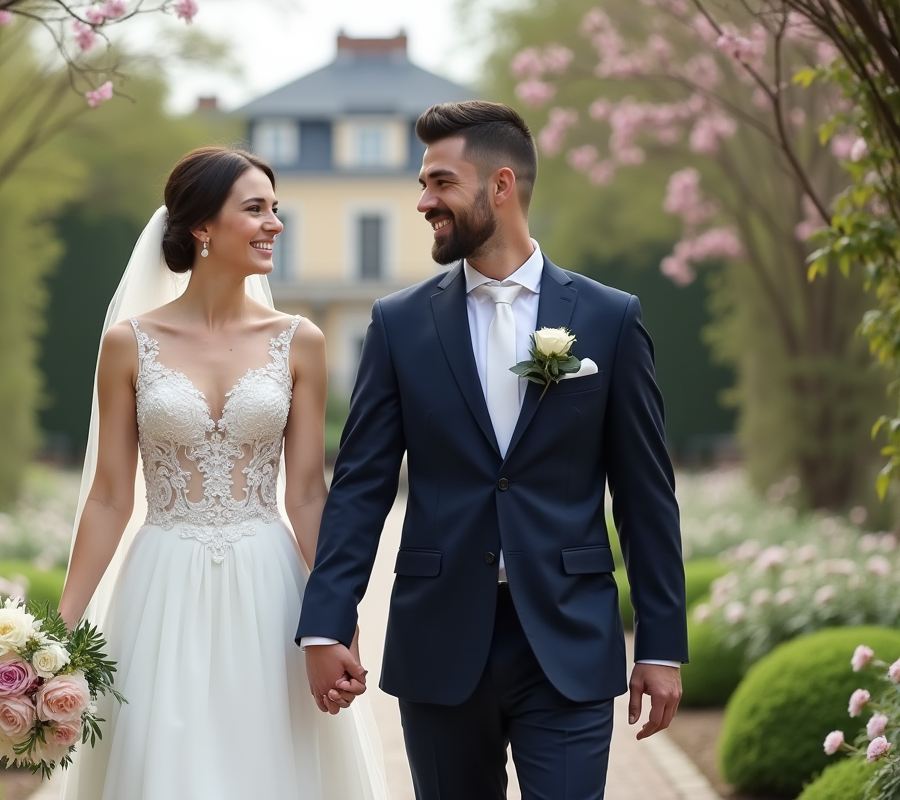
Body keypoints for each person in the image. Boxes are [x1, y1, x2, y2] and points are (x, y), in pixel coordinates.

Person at [297, 101, 688, 800]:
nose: (423, 202)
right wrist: (327, 622)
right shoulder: (398, 324)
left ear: (500, 186)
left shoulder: (610, 318)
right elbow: (360, 486)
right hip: (440, 639)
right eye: (423, 185)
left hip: (567, 637)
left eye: (441, 183)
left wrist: (660, 642)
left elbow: (645, 494)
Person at [56, 146, 388, 800]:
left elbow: (307, 495)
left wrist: (336, 610)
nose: (275, 224)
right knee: (164, 764)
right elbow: (109, 498)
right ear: (203, 227)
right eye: (256, 209)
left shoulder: (301, 342)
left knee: (267, 766)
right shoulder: (128, 343)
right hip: (162, 585)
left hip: (270, 588)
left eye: (276, 209)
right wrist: (60, 629)